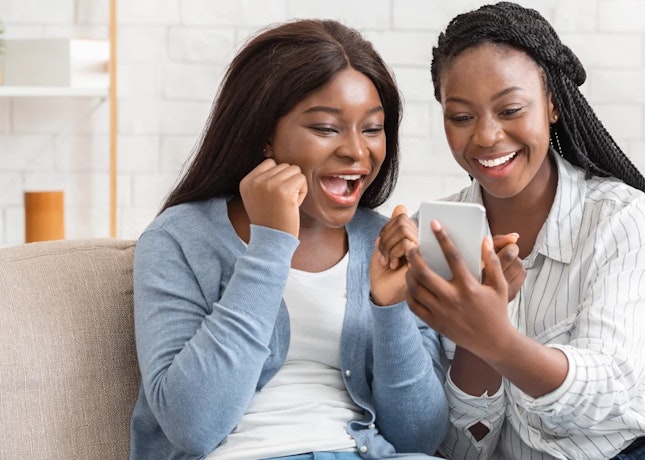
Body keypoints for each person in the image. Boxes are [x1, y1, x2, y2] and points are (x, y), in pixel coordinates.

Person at [377, 2, 645, 459]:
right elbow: (464, 450)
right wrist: (476, 342)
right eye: (461, 117)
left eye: (510, 109)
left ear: (553, 104)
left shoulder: (622, 215)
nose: (485, 136)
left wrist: (499, 341)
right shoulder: (435, 237)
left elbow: (607, 389)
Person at [129, 19, 448, 460]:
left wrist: (390, 309)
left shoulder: (385, 243)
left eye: (372, 128)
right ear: (263, 134)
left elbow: (420, 438)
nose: (357, 152)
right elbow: (191, 425)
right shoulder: (179, 239)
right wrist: (270, 246)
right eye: (326, 128)